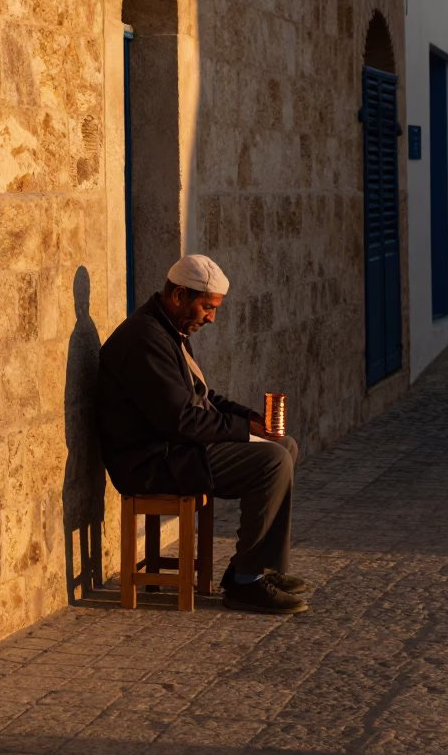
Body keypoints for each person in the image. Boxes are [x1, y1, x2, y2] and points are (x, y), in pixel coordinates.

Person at [97, 254, 309, 615]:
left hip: (175, 447)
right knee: (272, 461)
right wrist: (243, 430)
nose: (211, 318)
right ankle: (246, 584)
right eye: (206, 307)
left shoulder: (168, 328)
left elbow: (202, 397)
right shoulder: (145, 338)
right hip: (152, 460)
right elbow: (180, 420)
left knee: (283, 444)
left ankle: (257, 566)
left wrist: (249, 418)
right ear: (179, 295)